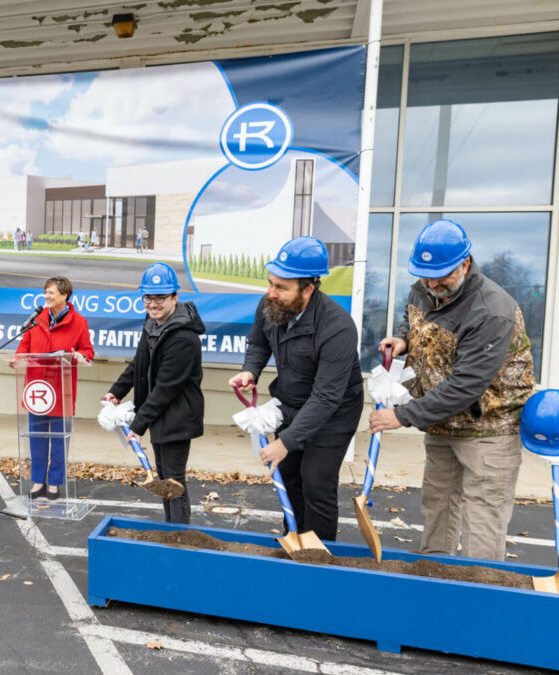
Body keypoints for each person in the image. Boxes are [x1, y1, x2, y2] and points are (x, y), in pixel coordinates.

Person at [369, 219, 534, 561]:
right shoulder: (423, 288)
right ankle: (435, 577)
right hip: (443, 423)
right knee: (438, 504)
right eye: (424, 275)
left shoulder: (491, 311)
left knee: (482, 518)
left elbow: (466, 385)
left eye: (440, 275)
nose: (431, 284)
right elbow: (414, 320)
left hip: (488, 428)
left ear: (464, 263)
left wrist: (402, 415)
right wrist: (403, 340)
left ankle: (479, 595)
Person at [229, 237, 363, 543]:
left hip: (334, 414)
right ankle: (295, 539)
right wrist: (251, 369)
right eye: (271, 283)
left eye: (281, 287)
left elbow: (327, 397)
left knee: (316, 481)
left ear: (308, 289)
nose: (271, 293)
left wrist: (286, 441)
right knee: (288, 477)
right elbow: (258, 343)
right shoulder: (270, 305)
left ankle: (318, 555)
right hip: (291, 401)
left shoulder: (337, 327)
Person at [103, 263, 205, 523]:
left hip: (177, 416)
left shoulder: (183, 337)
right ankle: (172, 531)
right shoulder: (153, 323)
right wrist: (117, 390)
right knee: (164, 479)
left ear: (175, 298)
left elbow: (166, 388)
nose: (153, 303)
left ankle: (179, 538)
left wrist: (138, 425)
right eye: (149, 297)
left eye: (160, 297)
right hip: (160, 414)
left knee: (173, 481)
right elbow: (139, 362)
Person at [14, 277, 95, 500]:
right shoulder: (36, 319)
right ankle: (38, 481)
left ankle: (55, 483)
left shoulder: (79, 321)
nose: (47, 296)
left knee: (59, 439)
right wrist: (18, 358)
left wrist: (80, 356)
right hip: (37, 390)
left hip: (61, 389)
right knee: (37, 438)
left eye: (51, 293)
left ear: (65, 295)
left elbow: (88, 351)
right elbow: (24, 346)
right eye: (46, 292)